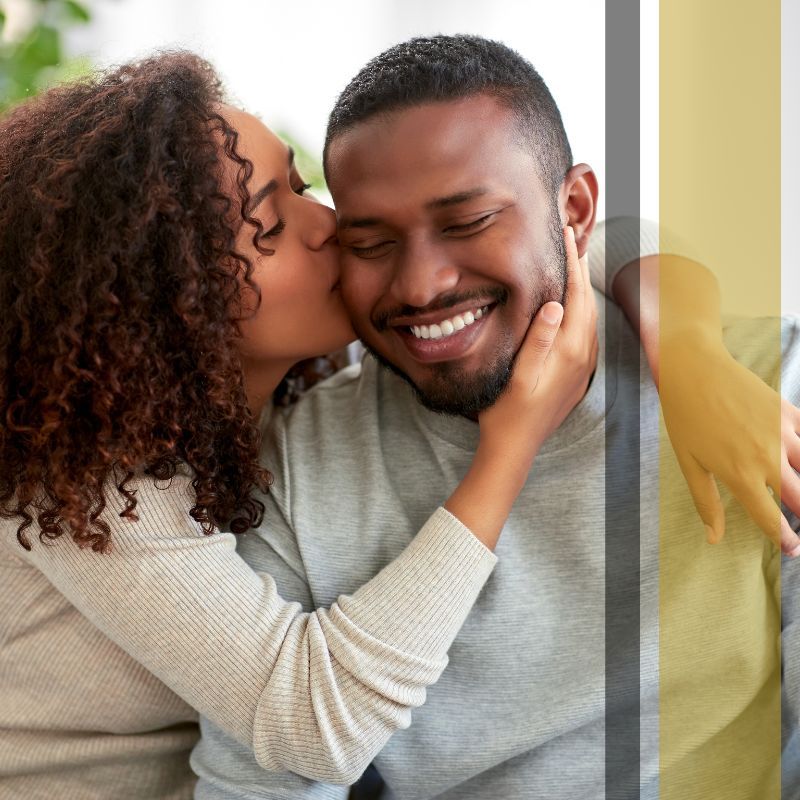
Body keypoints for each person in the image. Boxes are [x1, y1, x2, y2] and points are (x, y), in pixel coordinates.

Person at [190, 35, 800, 799]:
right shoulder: (299, 470)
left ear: (574, 209)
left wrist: (688, 347)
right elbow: (263, 781)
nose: (420, 285)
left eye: (468, 221)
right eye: (370, 241)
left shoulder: (761, 389)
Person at [0, 52, 603, 799]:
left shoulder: (259, 400)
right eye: (271, 226)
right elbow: (313, 725)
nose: (329, 228)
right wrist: (510, 447)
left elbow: (554, 237)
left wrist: (689, 344)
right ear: (169, 298)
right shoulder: (94, 492)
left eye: (300, 185)